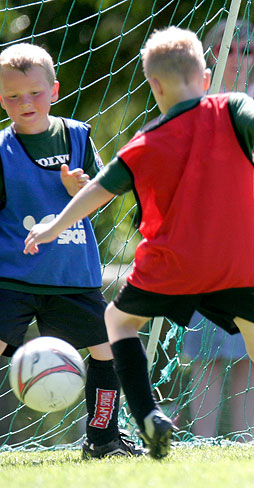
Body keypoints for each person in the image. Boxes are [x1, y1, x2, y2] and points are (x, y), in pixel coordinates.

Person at [23, 26, 254, 459]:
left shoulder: (144, 143)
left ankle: (147, 416)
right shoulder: (232, 107)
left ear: (154, 84)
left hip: (172, 264)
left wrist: (51, 227)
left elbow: (97, 190)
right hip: (238, 262)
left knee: (118, 323)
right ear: (203, 73)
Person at [0, 43, 144, 458]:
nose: (25, 102)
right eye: (13, 96)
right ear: (1, 99)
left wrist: (77, 192)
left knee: (107, 350)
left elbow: (100, 193)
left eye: (34, 92)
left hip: (71, 275)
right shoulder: (2, 150)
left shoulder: (77, 135)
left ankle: (103, 438)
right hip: (13, 277)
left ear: (55, 90)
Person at [182, 19, 254, 439]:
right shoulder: (194, 103)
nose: (239, 58)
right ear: (211, 54)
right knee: (206, 346)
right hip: (208, 241)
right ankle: (201, 440)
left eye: (248, 50)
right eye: (230, 49)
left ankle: (248, 439)